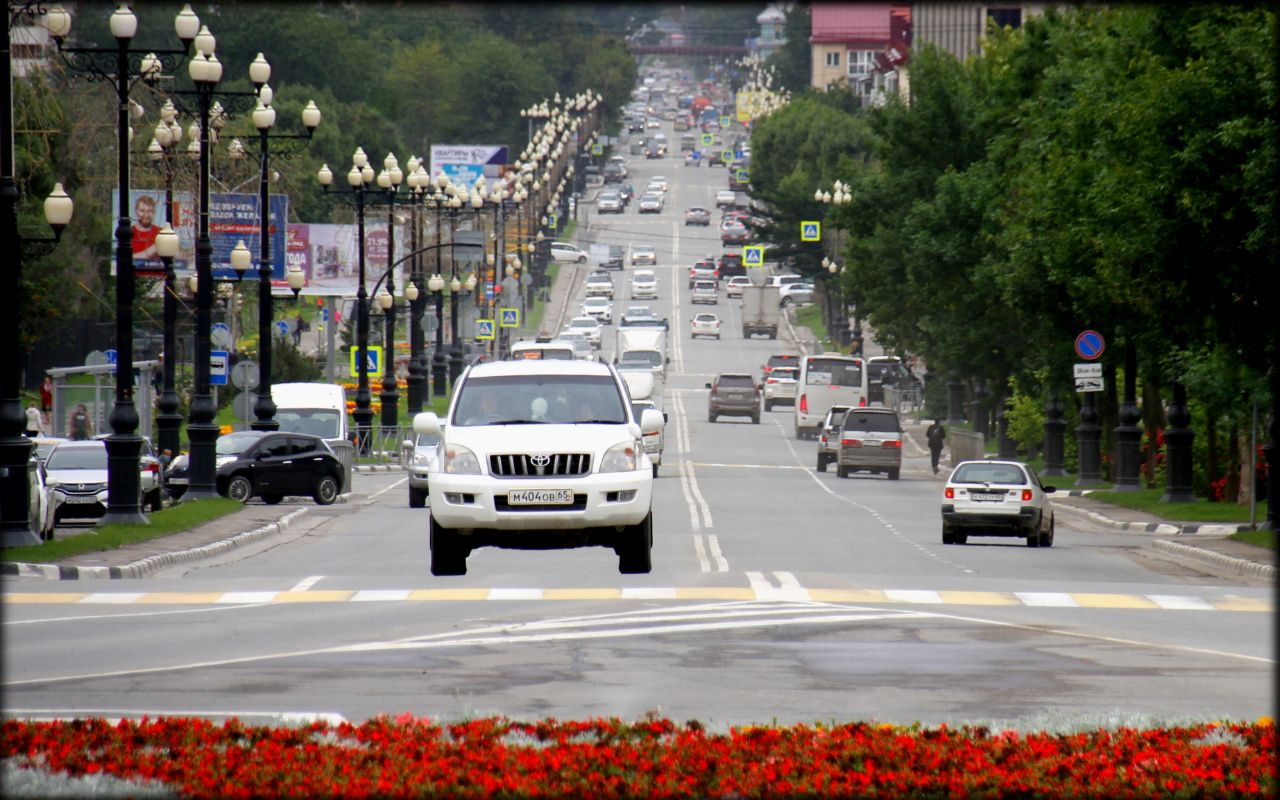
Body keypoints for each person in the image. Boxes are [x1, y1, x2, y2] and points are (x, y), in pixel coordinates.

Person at [131, 194, 159, 259]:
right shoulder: (128, 233)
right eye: (142, 211)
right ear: (136, 211)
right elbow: (124, 258)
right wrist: (152, 250)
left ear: (154, 212)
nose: (146, 215)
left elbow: (180, 256)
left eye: (149, 211)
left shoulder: (161, 233)